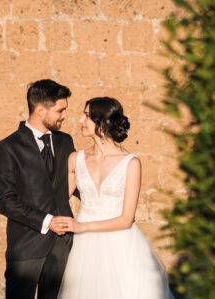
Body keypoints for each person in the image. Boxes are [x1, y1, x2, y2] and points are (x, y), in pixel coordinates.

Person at [57, 97, 174, 299]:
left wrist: (81, 226)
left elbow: (126, 219)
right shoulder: (76, 159)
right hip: (85, 248)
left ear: (104, 122)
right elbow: (56, 198)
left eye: (86, 115)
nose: (80, 120)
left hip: (121, 243)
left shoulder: (131, 163)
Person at [0, 79, 77, 299]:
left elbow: (77, 183)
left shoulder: (65, 141)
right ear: (40, 110)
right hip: (26, 246)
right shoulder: (7, 148)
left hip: (62, 245)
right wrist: (48, 221)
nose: (65, 116)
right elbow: (5, 201)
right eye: (61, 110)